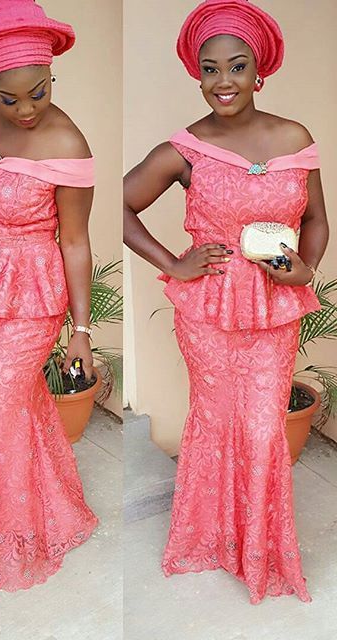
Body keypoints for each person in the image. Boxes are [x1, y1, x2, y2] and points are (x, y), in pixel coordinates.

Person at [123, 0, 328, 604]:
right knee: (215, 419)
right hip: (208, 308)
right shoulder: (186, 148)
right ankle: (209, 539)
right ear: (197, 74)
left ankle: (259, 551)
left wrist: (306, 270)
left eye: (236, 66)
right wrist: (173, 263)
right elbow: (117, 205)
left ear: (259, 70)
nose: (223, 82)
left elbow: (317, 219)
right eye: (209, 69)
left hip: (274, 306)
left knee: (263, 427)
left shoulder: (295, 138)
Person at [0, 0, 98, 604]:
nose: (27, 110)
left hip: (34, 292)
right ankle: (57, 512)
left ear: (52, 73)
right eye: (9, 99)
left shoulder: (67, 142)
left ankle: (9, 543)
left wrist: (81, 329)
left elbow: (76, 241)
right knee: (20, 403)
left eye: (39, 92)